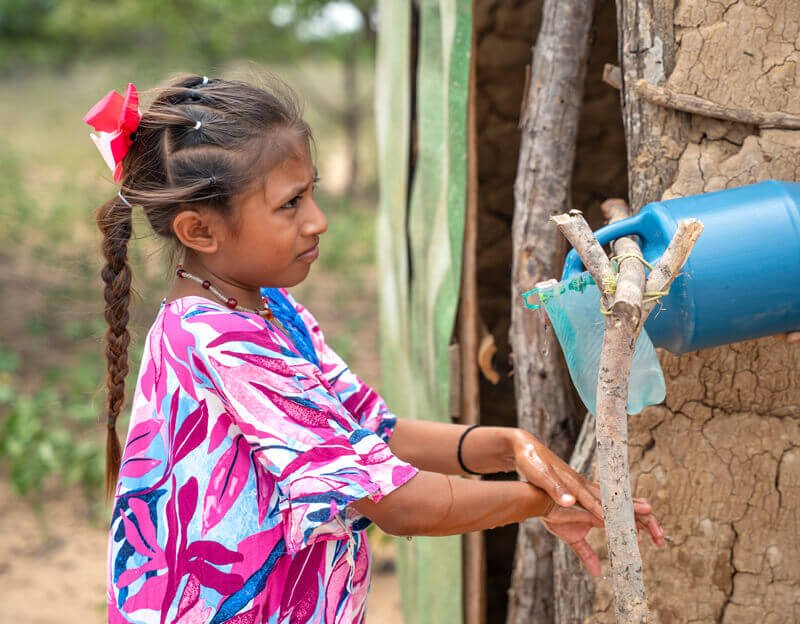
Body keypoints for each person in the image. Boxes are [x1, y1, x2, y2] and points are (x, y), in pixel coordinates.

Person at [87, 75, 663, 624]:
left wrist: (512, 446)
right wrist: (543, 502)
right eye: (291, 204)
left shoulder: (267, 309)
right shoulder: (220, 340)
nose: (318, 221)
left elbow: (369, 433)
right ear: (200, 232)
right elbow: (395, 503)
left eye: (311, 193)